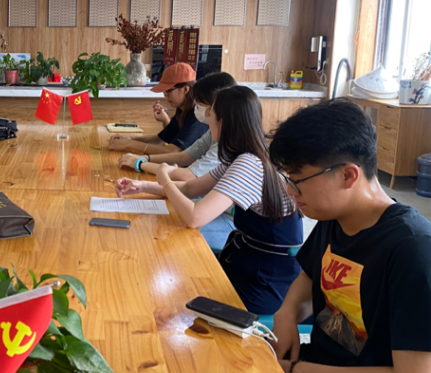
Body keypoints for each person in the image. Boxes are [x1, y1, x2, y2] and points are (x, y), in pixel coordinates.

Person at [268, 99, 431, 373]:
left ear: (348, 175)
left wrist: (296, 371)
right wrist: (286, 313)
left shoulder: (413, 250)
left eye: (298, 181)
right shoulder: (334, 217)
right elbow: (309, 275)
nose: (292, 193)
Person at [114, 86, 302, 314]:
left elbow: (195, 218)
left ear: (225, 121)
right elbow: (191, 188)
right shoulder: (244, 156)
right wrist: (142, 186)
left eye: (211, 112)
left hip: (261, 283)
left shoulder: (249, 164)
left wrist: (165, 179)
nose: (206, 117)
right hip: (247, 262)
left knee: (169, 286)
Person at [118, 72, 238, 250]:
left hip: (230, 222)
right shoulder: (218, 138)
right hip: (212, 208)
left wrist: (150, 168)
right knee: (155, 223)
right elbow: (190, 186)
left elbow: (193, 214)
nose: (205, 113)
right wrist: (142, 186)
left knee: (160, 233)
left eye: (209, 109)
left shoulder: (240, 158)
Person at [108, 63, 208, 155]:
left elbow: (173, 151)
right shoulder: (182, 111)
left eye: (168, 91)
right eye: (164, 92)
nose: (165, 96)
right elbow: (159, 140)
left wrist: (130, 144)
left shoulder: (198, 116)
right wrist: (130, 138)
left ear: (185, 89)